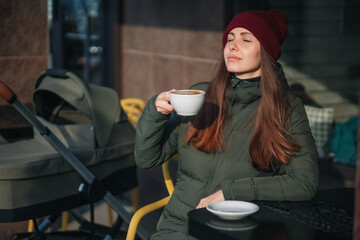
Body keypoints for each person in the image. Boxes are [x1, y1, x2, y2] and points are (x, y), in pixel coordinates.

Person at [134, 10, 319, 240]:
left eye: (246, 39)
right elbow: (146, 158)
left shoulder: (286, 107)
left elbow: (304, 182)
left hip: (236, 231)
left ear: (266, 51)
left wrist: (231, 192)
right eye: (230, 38)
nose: (232, 45)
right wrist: (156, 112)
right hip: (179, 228)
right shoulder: (200, 95)